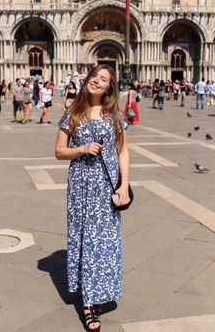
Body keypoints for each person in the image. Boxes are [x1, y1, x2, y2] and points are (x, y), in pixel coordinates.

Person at [55, 64, 130, 332]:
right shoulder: (72, 112)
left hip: (107, 186)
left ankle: (99, 291)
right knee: (85, 239)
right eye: (94, 77)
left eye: (103, 80)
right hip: (81, 187)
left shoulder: (113, 115)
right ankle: (88, 302)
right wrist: (82, 148)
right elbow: (59, 152)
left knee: (106, 240)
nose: (97, 82)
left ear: (110, 87)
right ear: (87, 80)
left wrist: (125, 185)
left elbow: (123, 152)